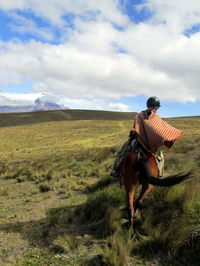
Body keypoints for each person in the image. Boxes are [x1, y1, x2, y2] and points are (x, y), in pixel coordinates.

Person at [111, 96, 182, 178]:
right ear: (156, 107)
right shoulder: (156, 118)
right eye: (156, 108)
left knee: (122, 152)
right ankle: (160, 174)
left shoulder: (139, 115)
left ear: (148, 105)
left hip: (137, 138)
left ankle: (116, 170)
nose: (155, 109)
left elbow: (136, 127)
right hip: (149, 141)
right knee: (161, 158)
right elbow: (160, 130)